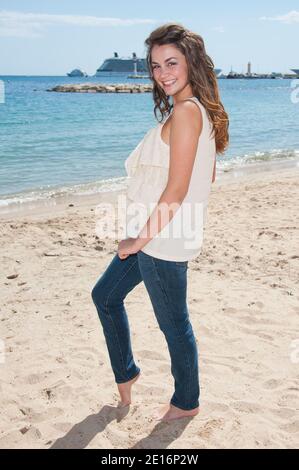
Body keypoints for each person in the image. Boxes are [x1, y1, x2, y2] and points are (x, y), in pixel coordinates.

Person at [91, 23, 229, 422]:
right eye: (155, 65)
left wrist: (138, 237)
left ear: (191, 63)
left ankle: (186, 402)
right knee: (105, 296)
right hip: (161, 233)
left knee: (174, 324)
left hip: (161, 239)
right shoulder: (194, 110)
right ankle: (128, 372)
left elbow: (178, 189)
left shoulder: (187, 112)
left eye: (171, 62)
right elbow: (207, 175)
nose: (163, 72)